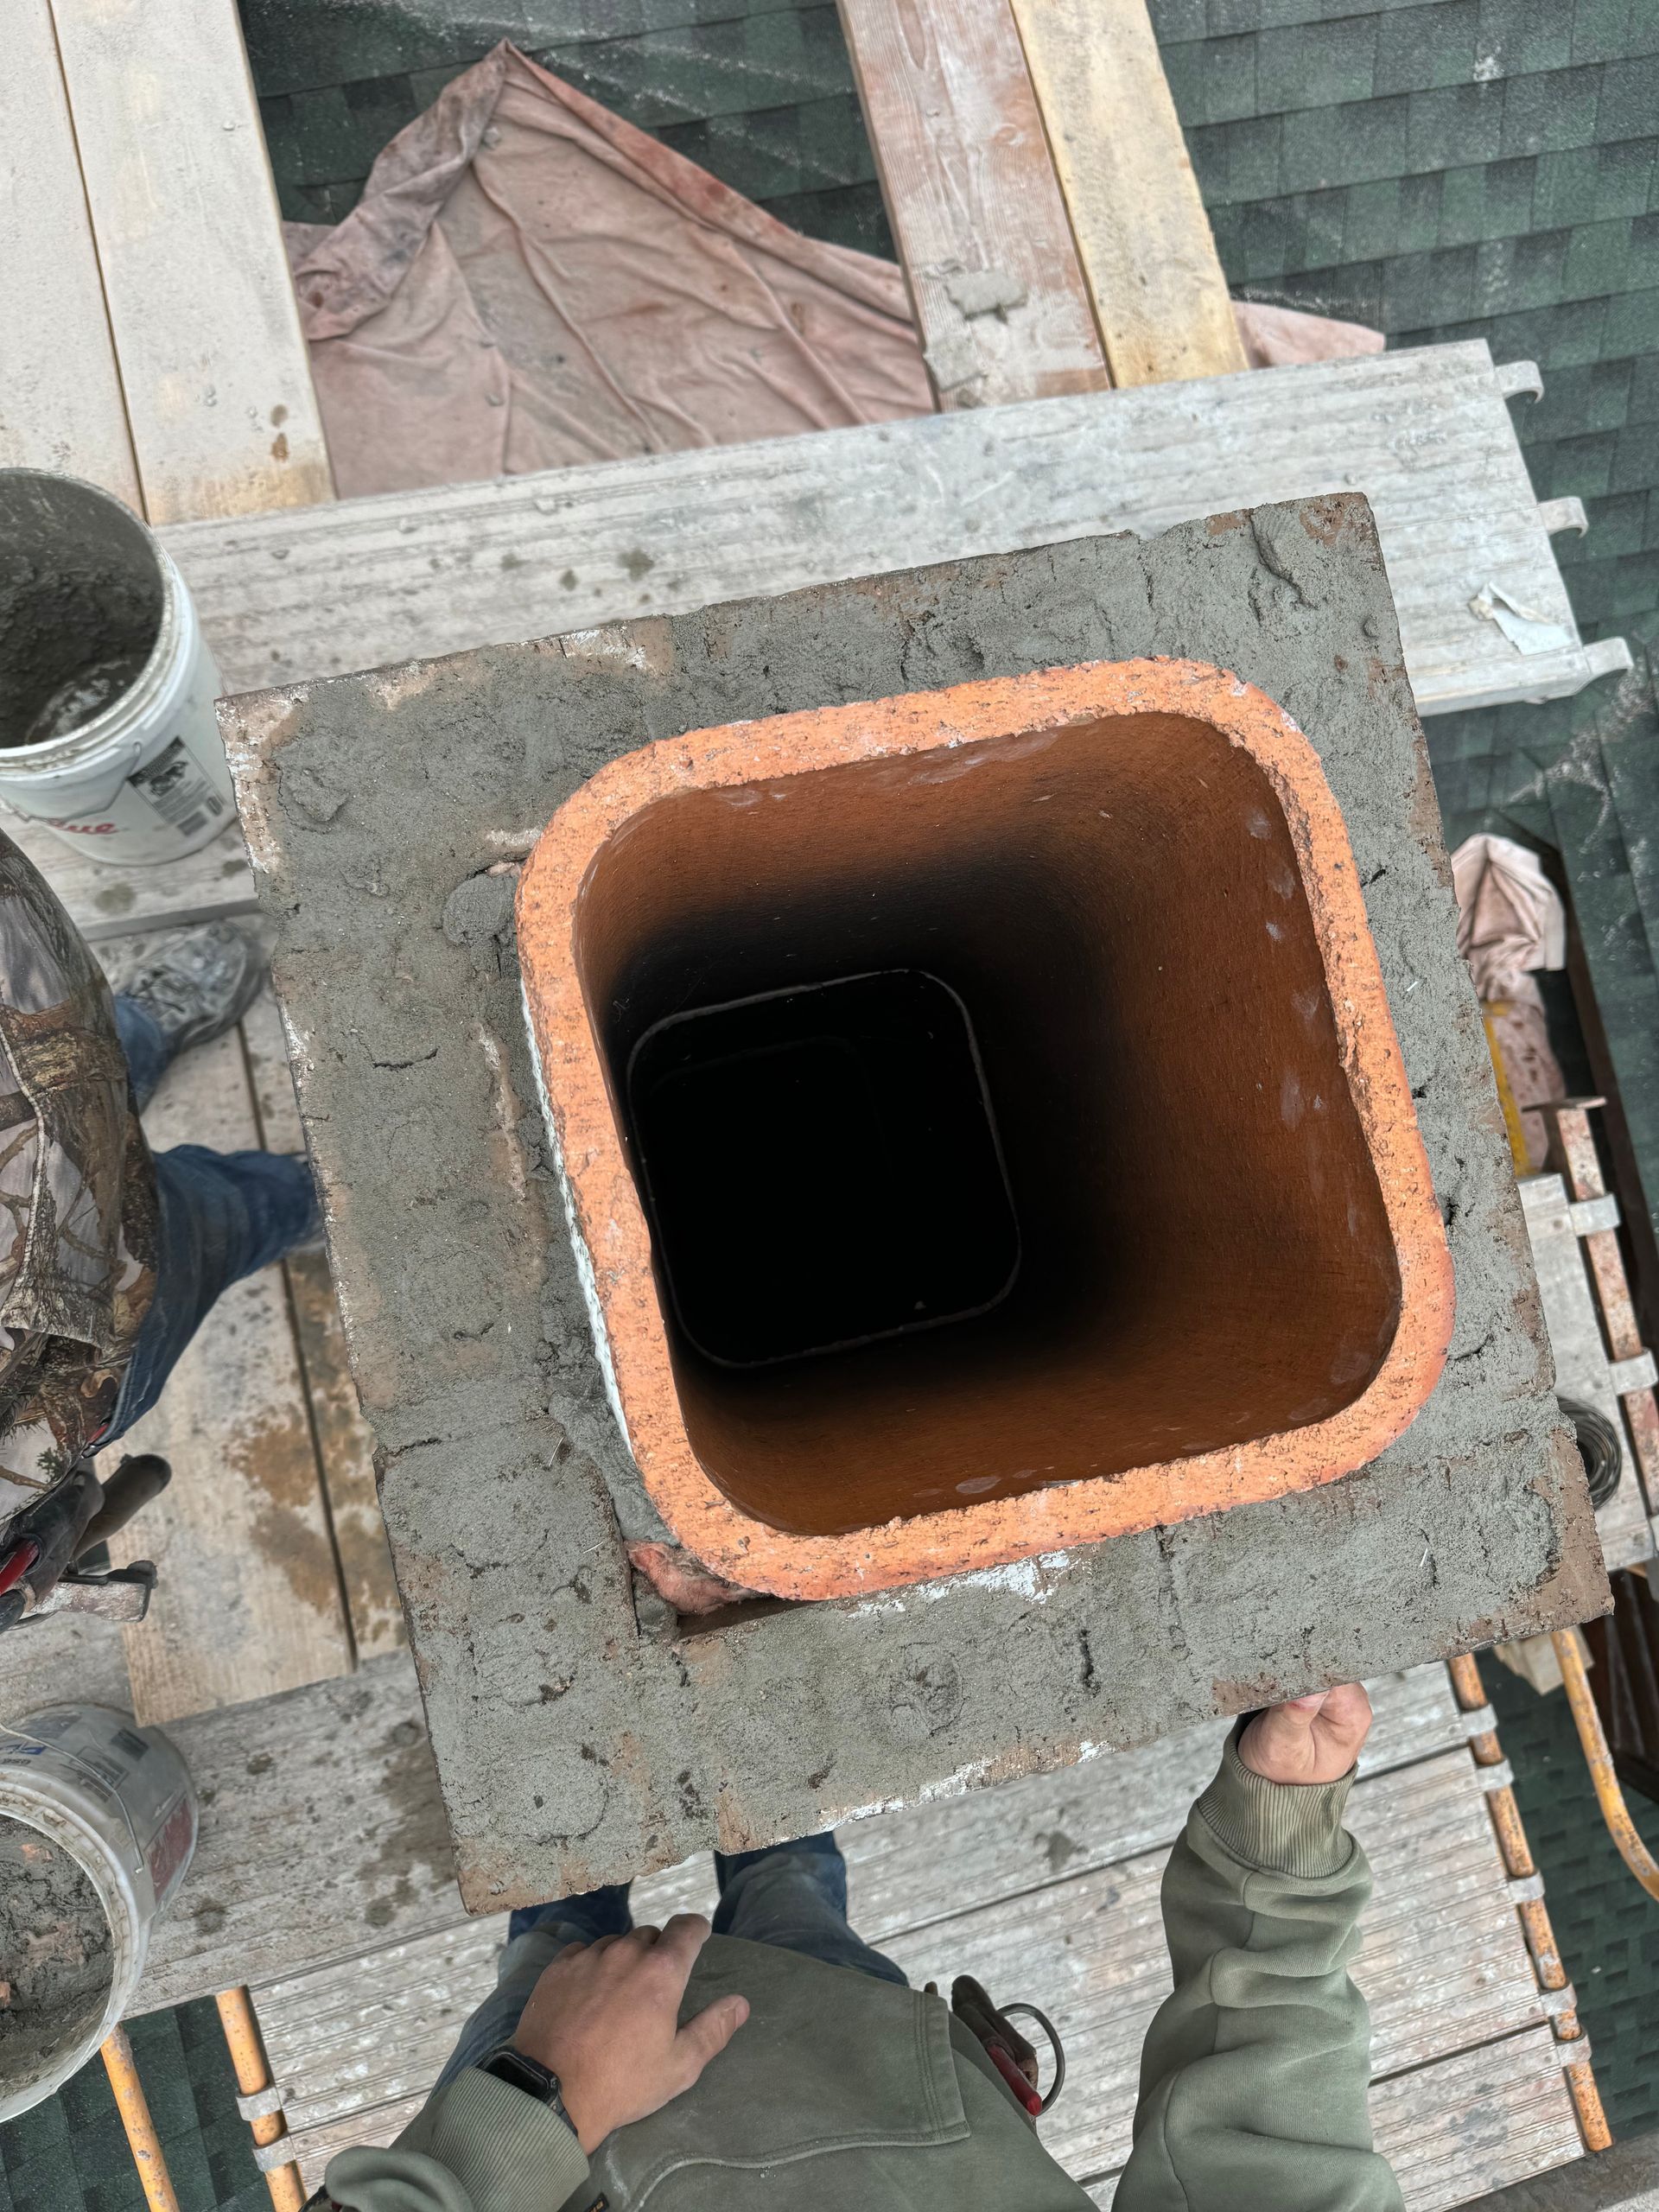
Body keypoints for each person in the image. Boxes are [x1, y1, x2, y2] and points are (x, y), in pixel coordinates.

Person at [313, 1682, 1404, 2212]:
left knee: (554, 1889)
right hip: (850, 2042)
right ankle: (750, 1740)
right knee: (791, 1878)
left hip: (531, 2110)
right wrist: (1280, 1852)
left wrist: (530, 2104)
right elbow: (1277, 2159)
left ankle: (562, 1782)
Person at [0, 830, 321, 1624]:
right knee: (215, 1218)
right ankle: (305, 1202)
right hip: (71, 1365)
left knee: (82, 1068)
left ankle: (136, 1028)